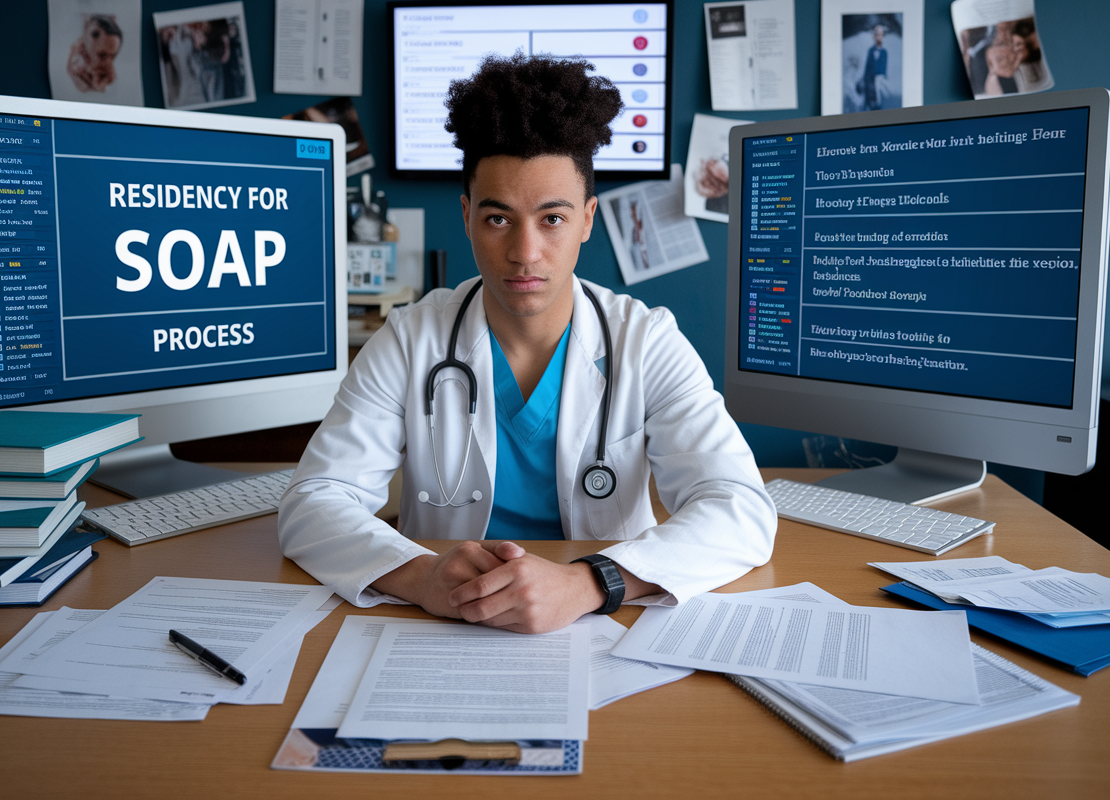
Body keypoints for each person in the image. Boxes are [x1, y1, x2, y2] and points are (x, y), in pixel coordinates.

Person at [278, 53, 776, 634]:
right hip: (441, 620)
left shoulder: (646, 340)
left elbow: (740, 509)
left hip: (602, 621)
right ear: (466, 217)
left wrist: (592, 582)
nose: (524, 252)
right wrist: (423, 576)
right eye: (497, 219)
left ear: (588, 218)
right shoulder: (412, 337)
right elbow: (313, 502)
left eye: (553, 219)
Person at [859, 24, 889, 110]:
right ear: (874, 36)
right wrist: (865, 79)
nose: (878, 37)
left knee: (878, 104)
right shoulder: (871, 50)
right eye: (876, 35)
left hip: (879, 82)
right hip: (869, 82)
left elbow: (884, 67)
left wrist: (882, 78)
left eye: (880, 35)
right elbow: (867, 67)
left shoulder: (884, 52)